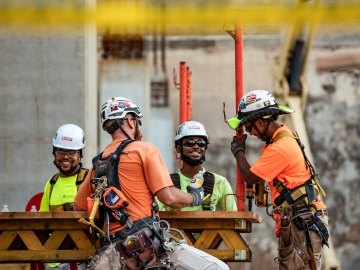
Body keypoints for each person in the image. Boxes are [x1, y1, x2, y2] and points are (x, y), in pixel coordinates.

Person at [74, 96, 229, 270]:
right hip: (146, 244)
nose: (139, 126)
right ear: (130, 121)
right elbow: (169, 198)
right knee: (217, 268)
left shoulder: (98, 163)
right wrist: (195, 196)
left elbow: (78, 207)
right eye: (137, 121)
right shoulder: (144, 150)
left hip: (113, 253)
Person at [228, 89, 329, 270]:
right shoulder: (283, 138)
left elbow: (249, 177)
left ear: (260, 122)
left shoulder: (280, 147)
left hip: (302, 222)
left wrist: (238, 151)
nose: (251, 133)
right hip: (300, 219)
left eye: (250, 128)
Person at [158, 120, 237, 212]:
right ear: (178, 147)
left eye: (201, 143)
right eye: (190, 143)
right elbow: (154, 216)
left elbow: (233, 219)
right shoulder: (166, 183)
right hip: (174, 227)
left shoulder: (220, 182)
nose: (196, 146)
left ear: (205, 148)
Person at [39, 124, 88, 270]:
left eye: (71, 152)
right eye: (60, 152)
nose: (65, 157)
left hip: (84, 260)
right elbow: (40, 221)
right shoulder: (51, 183)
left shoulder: (88, 180)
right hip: (56, 261)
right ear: (54, 154)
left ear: (79, 155)